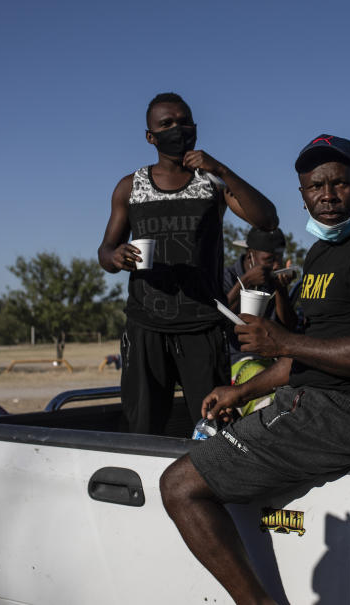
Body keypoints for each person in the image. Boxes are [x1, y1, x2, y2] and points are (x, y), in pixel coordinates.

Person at [158, 134, 350, 603]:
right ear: (302, 193)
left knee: (178, 486)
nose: (329, 195)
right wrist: (240, 391)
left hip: (339, 414)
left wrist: (280, 340)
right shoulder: (320, 255)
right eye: (316, 186)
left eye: (340, 183)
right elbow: (307, 355)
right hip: (310, 403)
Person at [98, 92, 278, 437]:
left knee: (213, 430)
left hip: (203, 328)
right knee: (142, 429)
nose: (177, 129)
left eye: (184, 121)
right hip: (146, 326)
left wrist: (220, 168)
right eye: (166, 124)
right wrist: (116, 257)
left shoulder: (211, 183)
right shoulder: (129, 187)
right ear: (151, 137)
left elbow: (267, 220)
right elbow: (105, 250)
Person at [223, 227, 299, 364]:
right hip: (236, 359)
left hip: (272, 358)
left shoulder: (273, 280)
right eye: (269, 260)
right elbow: (218, 318)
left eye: (279, 259)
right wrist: (245, 282)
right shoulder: (227, 277)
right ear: (250, 255)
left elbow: (288, 327)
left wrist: (281, 289)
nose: (276, 266)